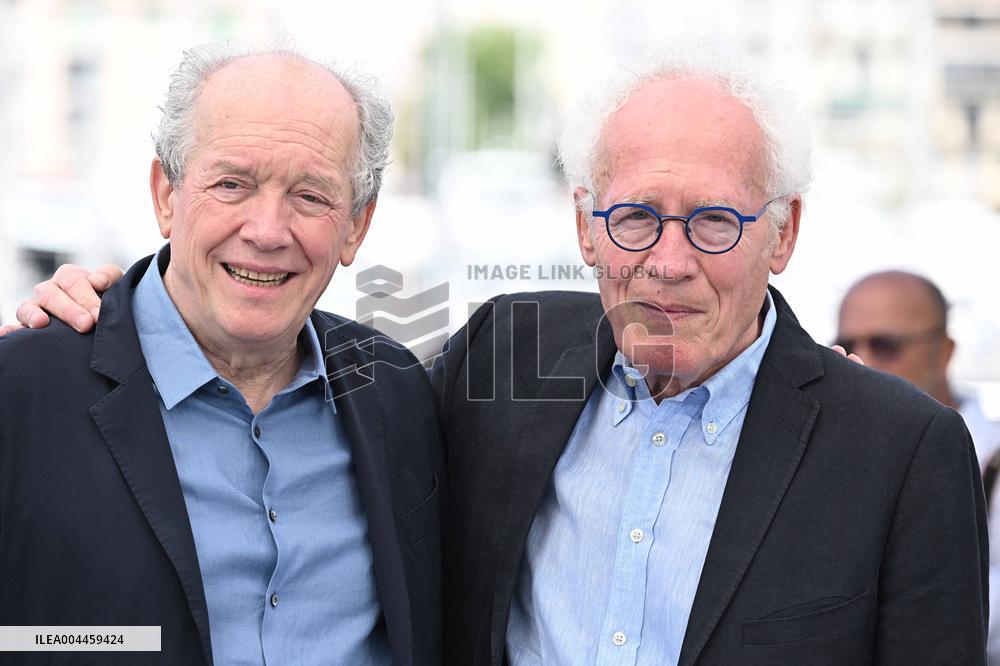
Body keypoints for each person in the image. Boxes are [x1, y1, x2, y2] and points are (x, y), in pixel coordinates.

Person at [9, 47, 989, 664]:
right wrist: (105, 303)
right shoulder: (493, 365)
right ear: (584, 225)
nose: (669, 261)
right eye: (635, 216)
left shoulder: (902, 456)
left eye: (719, 222)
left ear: (783, 234)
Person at [0, 43, 443, 665]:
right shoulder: (21, 394)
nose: (266, 230)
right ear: (165, 195)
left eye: (311, 196)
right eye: (232, 184)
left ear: (356, 226)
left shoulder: (399, 391)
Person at [837, 270, 1000, 661]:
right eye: (845, 344)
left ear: (943, 352)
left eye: (886, 345)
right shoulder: (838, 451)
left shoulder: (992, 460)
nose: (864, 360)